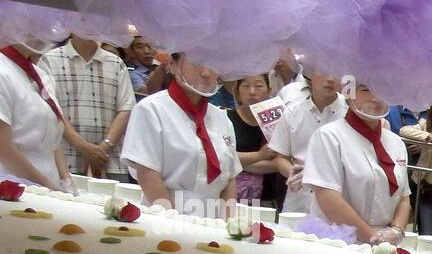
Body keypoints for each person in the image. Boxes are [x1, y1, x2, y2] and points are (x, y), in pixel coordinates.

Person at [121, 52, 239, 212]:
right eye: (196, 64)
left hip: (212, 222)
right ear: (172, 64)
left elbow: (230, 179)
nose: (205, 73)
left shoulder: (222, 118)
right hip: (164, 216)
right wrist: (175, 221)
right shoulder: (151, 109)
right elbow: (147, 173)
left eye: (213, 65)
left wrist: (228, 226)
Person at [302, 81, 410, 244]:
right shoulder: (328, 136)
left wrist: (396, 231)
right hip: (337, 241)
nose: (376, 98)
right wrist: (374, 238)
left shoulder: (396, 142)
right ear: (348, 92)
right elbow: (329, 199)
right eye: (365, 90)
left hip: (385, 245)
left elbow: (403, 197)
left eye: (384, 90)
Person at [41, 34, 136, 179]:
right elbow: (51, 109)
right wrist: (83, 147)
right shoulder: (49, 60)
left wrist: (105, 146)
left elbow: (126, 108)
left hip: (110, 161)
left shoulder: (116, 63)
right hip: (65, 160)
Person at [268, 72, 347, 213]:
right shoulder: (292, 112)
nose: (330, 79)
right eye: (323, 71)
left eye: (336, 72)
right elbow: (281, 158)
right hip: (299, 198)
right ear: (309, 74)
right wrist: (292, 172)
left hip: (339, 198)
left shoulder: (350, 114)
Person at [0, 35, 70, 189]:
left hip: (48, 186)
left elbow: (53, 140)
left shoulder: (42, 75)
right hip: (11, 186)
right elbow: (3, 148)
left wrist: (67, 181)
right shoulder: (2, 70)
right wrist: (48, 186)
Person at [226, 74, 284, 206]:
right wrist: (260, 155)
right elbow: (221, 156)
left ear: (269, 91)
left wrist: (237, 163)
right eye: (246, 86)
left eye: (258, 86)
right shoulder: (226, 118)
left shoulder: (277, 121)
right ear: (237, 90)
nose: (252, 92)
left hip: (267, 197)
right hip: (232, 196)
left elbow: (278, 163)